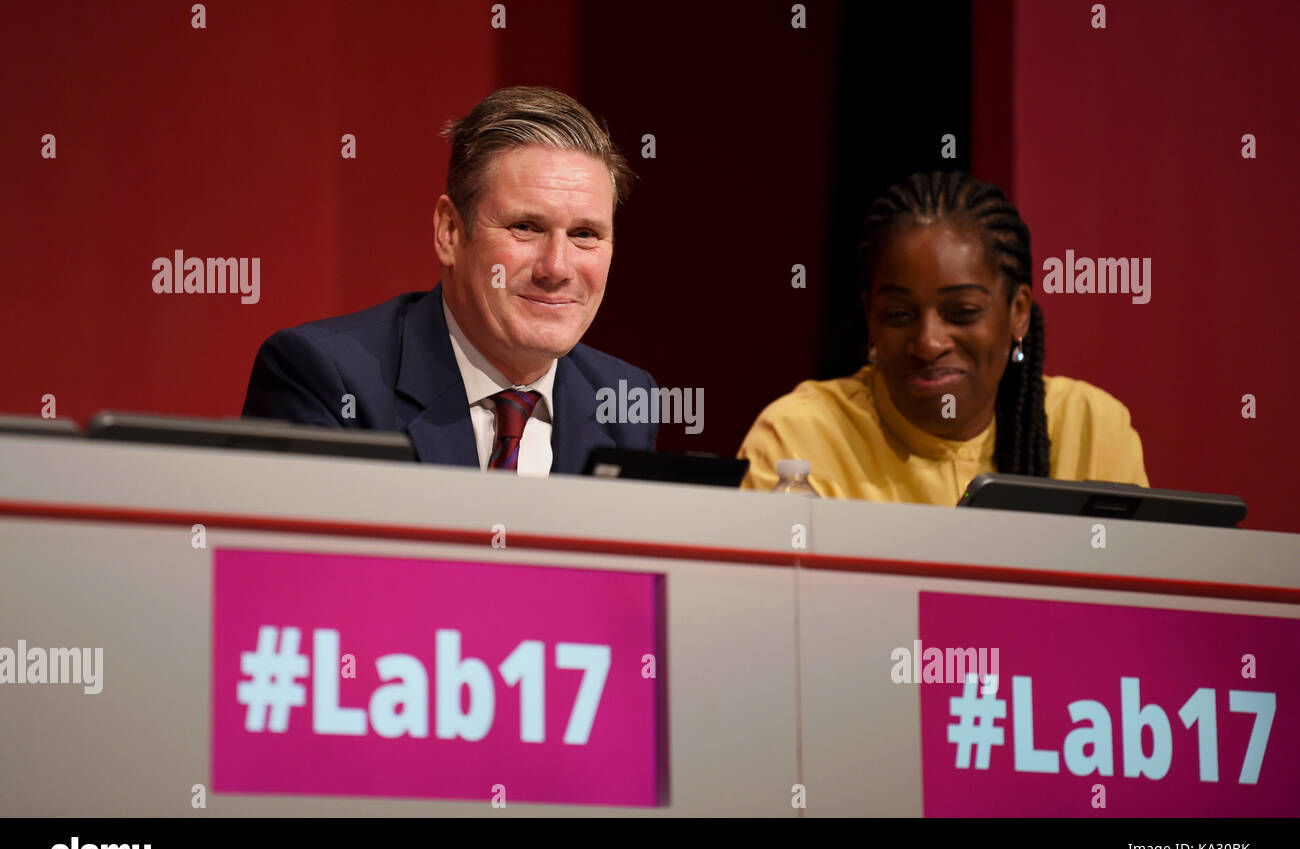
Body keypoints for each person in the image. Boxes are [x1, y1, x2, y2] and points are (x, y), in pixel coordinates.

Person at [241, 86, 656, 475]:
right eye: (525, 226)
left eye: (585, 234)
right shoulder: (326, 379)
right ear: (450, 232)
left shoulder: (624, 399)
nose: (557, 268)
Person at [738, 170, 1148, 503]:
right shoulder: (800, 436)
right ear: (869, 316)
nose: (930, 343)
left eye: (962, 313)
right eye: (898, 315)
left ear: (1018, 312)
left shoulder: (1091, 427)